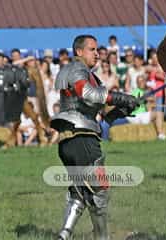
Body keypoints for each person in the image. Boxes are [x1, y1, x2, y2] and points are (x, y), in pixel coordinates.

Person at [51, 34, 139, 240]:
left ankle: (64, 234)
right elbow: (87, 93)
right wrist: (120, 96)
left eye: (97, 49)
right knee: (99, 190)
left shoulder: (89, 75)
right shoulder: (76, 69)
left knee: (80, 190)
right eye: (92, 49)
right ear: (79, 52)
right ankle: (103, 237)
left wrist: (124, 108)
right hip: (82, 138)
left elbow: (102, 113)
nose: (97, 54)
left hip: (70, 139)